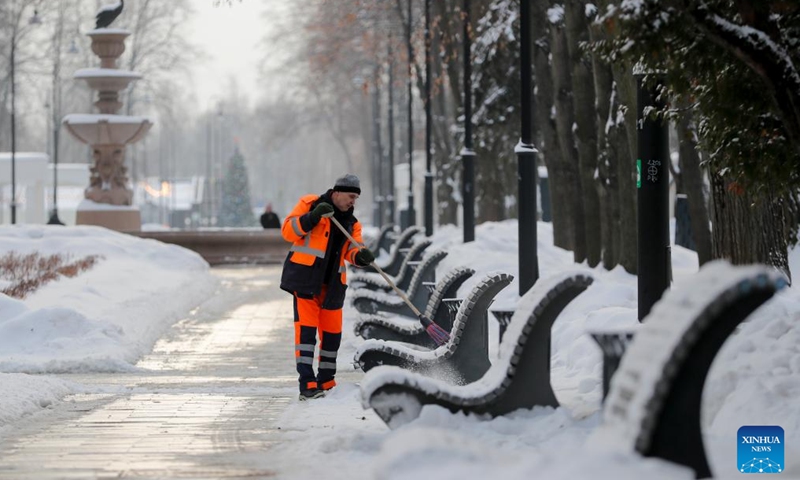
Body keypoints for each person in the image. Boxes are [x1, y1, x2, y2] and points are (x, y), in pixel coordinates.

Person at [279, 174, 375, 401]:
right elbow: (288, 231)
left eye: (356, 198)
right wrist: (313, 217)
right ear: (337, 192)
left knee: (332, 337)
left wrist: (361, 257)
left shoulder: (352, 223)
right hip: (305, 282)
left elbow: (353, 250)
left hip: (333, 286)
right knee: (306, 335)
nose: (353, 201)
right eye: (351, 196)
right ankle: (308, 385)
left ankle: (327, 381)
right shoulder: (310, 203)